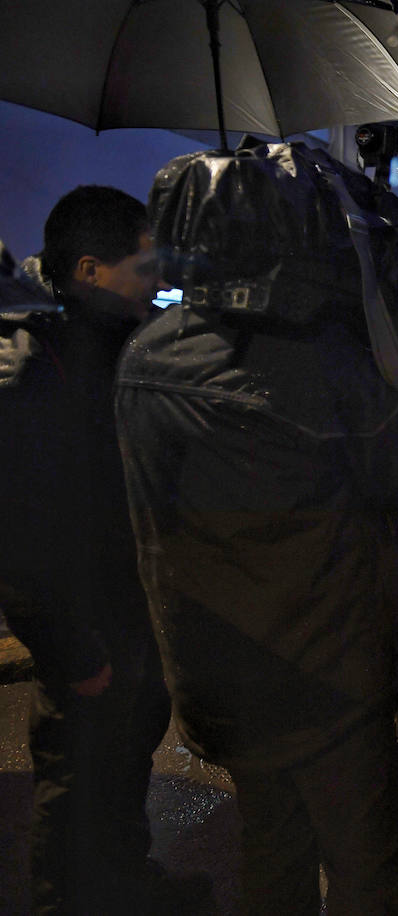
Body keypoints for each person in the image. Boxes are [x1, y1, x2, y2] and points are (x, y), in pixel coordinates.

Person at [116, 168, 398, 912]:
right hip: (334, 680)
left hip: (226, 673)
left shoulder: (146, 358)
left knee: (270, 853)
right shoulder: (324, 363)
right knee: (365, 866)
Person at [0, 186, 205, 912]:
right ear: (89, 269)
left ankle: (125, 880)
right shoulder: (36, 365)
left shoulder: (125, 345)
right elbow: (17, 537)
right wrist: (72, 652)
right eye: (143, 266)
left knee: (122, 773)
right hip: (84, 631)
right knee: (73, 793)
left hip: (133, 611)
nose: (157, 280)